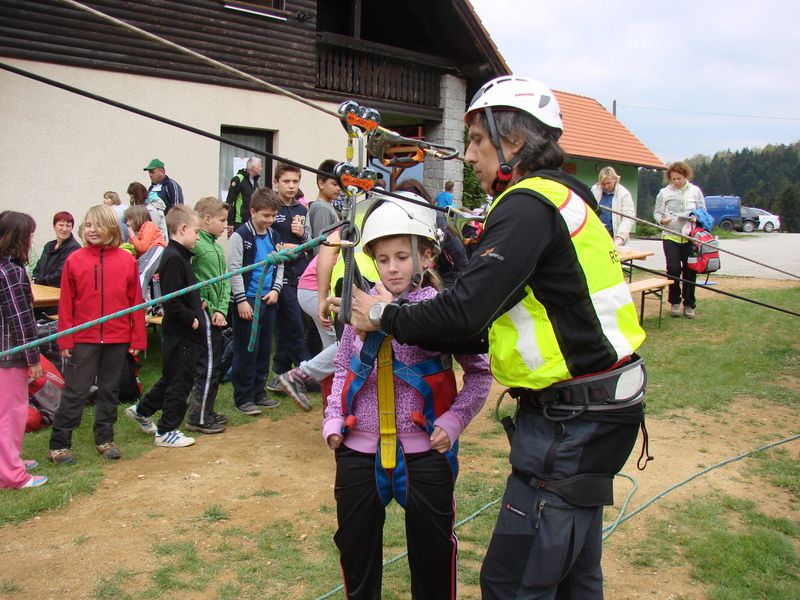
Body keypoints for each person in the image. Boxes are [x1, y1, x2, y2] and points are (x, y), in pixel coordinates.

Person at [338, 76, 648, 599]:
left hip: (571, 421)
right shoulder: (571, 199)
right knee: (573, 574)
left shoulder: (529, 205)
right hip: (600, 407)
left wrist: (386, 317)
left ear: (515, 142)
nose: (469, 155)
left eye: (478, 140)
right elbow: (497, 311)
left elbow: (463, 314)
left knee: (514, 582)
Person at [324, 194, 492, 599]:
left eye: (402, 256)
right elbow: (344, 367)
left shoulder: (442, 310)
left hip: (424, 454)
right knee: (355, 550)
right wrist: (332, 419)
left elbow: (480, 373)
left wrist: (452, 423)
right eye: (383, 259)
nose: (393, 267)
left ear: (428, 257)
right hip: (359, 451)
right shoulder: (360, 307)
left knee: (433, 555)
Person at [49, 205, 147, 464]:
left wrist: (138, 338)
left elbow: (135, 301)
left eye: (98, 225)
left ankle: (105, 438)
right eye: (88, 225)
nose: (92, 230)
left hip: (117, 338)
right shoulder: (74, 260)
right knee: (76, 390)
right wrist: (65, 338)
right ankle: (59, 443)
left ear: (112, 229)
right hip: (83, 338)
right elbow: (66, 304)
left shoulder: (127, 260)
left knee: (109, 390)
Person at [125, 206, 203, 448]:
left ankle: (142, 409)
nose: (198, 237)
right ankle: (167, 429)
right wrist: (192, 317)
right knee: (180, 381)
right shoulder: (172, 257)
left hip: (182, 332)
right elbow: (171, 298)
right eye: (197, 231)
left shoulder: (179, 256)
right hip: (181, 333)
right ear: (182, 229)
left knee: (171, 376)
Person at [0, 211, 48, 489]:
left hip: (6, 352)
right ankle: (11, 474)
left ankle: (10, 459)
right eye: (29, 235)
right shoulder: (12, 272)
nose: (31, 241)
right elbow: (20, 318)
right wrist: (33, 357)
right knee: (11, 412)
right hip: (9, 354)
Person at [227, 188, 284, 416]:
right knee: (246, 348)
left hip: (267, 299)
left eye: (272, 216)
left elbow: (280, 264)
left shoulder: (274, 236)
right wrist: (241, 300)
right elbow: (234, 269)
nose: (269, 220)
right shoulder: (240, 236)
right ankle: (243, 396)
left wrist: (276, 290)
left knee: (263, 348)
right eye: (265, 215)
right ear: (253, 212)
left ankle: (259, 392)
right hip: (247, 299)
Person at [186, 197, 231, 434]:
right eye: (221, 220)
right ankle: (198, 417)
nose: (225, 225)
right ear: (206, 219)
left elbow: (223, 282)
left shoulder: (214, 245)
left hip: (218, 314)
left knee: (215, 367)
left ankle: (208, 410)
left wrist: (222, 310)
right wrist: (212, 309)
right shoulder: (196, 246)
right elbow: (197, 283)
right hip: (205, 314)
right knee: (208, 366)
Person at [266, 162, 312, 394]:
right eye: (287, 181)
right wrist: (284, 246)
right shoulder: (270, 209)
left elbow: (309, 244)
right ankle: (306, 373)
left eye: (295, 181)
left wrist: (302, 235)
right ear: (276, 182)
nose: (292, 186)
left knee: (293, 324)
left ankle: (279, 373)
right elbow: (264, 240)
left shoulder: (303, 211)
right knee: (294, 324)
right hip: (279, 276)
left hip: (301, 274)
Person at [654, 161, 706, 319]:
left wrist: (696, 218)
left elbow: (703, 211)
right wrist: (661, 221)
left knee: (690, 271)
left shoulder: (695, 191)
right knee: (674, 269)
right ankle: (674, 302)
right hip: (670, 236)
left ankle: (689, 304)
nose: (676, 182)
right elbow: (657, 213)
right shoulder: (664, 193)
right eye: (673, 179)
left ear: (685, 176)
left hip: (690, 237)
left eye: (679, 178)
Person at [396, 178, 468, 290]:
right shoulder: (410, 219)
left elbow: (428, 259)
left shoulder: (435, 220)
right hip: (436, 271)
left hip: (452, 272)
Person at [125, 205, 166, 304]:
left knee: (142, 272)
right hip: (151, 252)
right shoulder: (140, 232)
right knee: (154, 278)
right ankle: (156, 305)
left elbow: (143, 247)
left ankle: (138, 299)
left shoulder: (149, 225)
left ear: (137, 218)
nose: (127, 223)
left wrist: (132, 236)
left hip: (156, 248)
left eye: (130, 220)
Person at [32, 211, 81, 288]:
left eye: (68, 226)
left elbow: (60, 274)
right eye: (61, 225)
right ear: (54, 226)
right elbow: (39, 266)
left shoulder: (74, 248)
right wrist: (35, 277)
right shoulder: (49, 246)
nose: (64, 229)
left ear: (72, 228)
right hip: (42, 289)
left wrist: (39, 281)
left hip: (59, 292)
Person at [590, 166, 635, 245]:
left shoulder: (624, 194)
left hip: (615, 237)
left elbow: (628, 217)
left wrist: (620, 237)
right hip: (597, 235)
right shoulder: (594, 190)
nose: (606, 186)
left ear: (615, 179)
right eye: (603, 184)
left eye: (609, 183)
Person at [307, 159, 342, 254]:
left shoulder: (326, 206)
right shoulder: (322, 208)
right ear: (321, 184)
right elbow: (320, 248)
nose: (339, 188)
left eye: (340, 184)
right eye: (334, 184)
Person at [226, 157, 262, 234]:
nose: (261, 168)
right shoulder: (238, 179)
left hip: (252, 220)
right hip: (239, 221)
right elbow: (230, 201)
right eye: (260, 166)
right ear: (253, 167)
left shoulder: (255, 182)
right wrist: (230, 222)